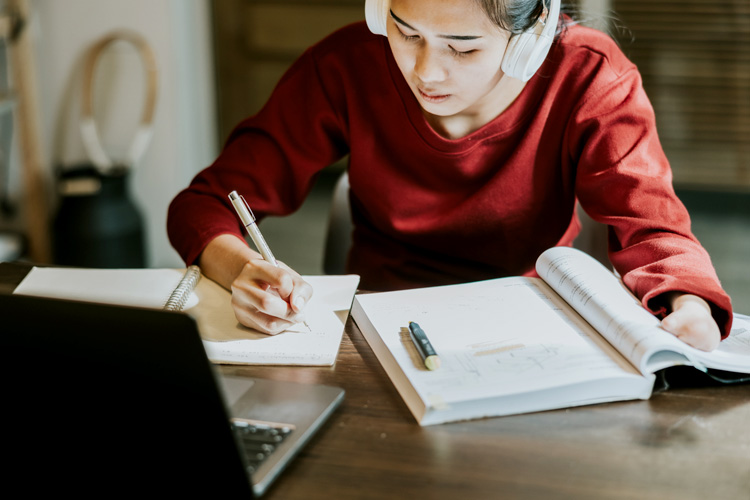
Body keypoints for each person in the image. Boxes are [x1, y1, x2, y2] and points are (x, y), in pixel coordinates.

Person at [168, 0, 733, 350]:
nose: (424, 71)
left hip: (526, 332)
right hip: (376, 332)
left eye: (462, 48)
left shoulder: (589, 78)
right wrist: (244, 270)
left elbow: (653, 229)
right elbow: (207, 202)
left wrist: (687, 305)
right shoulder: (347, 65)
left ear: (530, 38)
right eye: (406, 32)